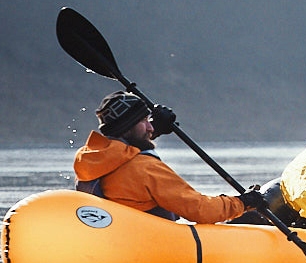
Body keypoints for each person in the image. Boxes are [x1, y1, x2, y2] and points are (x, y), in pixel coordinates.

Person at [74, 91, 270, 223]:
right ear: (126, 128)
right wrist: (244, 202)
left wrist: (154, 131)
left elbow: (123, 153)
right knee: (251, 217)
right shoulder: (145, 168)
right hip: (153, 243)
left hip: (114, 235)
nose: (150, 126)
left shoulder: (92, 159)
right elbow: (199, 209)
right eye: (144, 122)